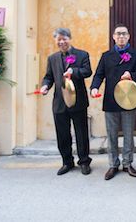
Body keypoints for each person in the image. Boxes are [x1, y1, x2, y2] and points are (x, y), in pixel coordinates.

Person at [90, 24, 136, 180]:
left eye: (124, 34)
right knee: (112, 135)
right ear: (113, 37)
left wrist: (131, 74)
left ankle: (127, 163)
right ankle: (113, 164)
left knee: (128, 134)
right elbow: (99, 74)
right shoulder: (106, 56)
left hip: (129, 99)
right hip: (111, 100)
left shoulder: (135, 54)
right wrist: (94, 87)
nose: (121, 36)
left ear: (128, 36)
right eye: (118, 34)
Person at [40, 28, 92, 176]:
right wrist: (45, 86)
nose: (62, 42)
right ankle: (67, 162)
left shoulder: (82, 55)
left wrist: (74, 72)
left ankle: (84, 162)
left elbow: (87, 71)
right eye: (59, 40)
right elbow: (48, 77)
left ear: (70, 38)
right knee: (62, 134)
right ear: (56, 41)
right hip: (59, 102)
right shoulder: (52, 58)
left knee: (81, 133)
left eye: (64, 39)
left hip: (78, 101)